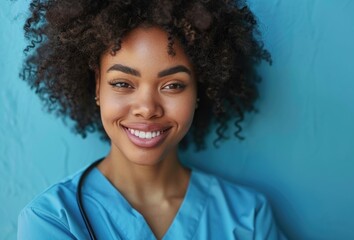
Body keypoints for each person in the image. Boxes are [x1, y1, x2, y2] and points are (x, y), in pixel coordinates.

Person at [18, 0, 284, 239]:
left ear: (199, 90)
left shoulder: (248, 217)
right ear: (98, 86)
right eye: (122, 83)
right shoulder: (53, 220)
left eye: (173, 85)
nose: (147, 109)